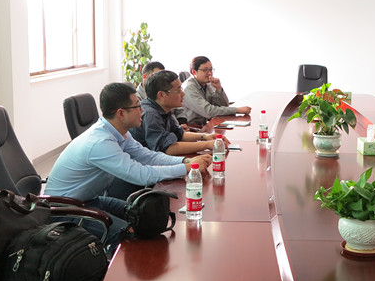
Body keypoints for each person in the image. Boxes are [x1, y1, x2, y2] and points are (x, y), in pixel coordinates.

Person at [46, 82, 212, 245]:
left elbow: (148, 156)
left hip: (90, 200)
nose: (142, 110)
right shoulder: (100, 142)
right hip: (65, 210)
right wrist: (185, 168)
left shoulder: (118, 132)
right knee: (130, 236)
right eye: (137, 106)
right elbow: (141, 175)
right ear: (121, 113)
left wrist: (186, 161)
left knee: (144, 216)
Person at [131, 70, 231, 155]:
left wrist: (206, 136)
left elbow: (179, 134)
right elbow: (167, 148)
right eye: (178, 90)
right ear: (161, 95)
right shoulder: (150, 114)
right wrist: (207, 144)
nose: (183, 94)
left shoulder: (162, 108)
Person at [182, 56, 251, 125]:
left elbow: (223, 106)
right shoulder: (189, 88)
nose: (209, 73)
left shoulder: (207, 84)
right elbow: (209, 111)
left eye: (210, 69)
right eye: (205, 70)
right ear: (194, 72)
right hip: (192, 128)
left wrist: (219, 89)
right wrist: (237, 110)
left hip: (206, 124)